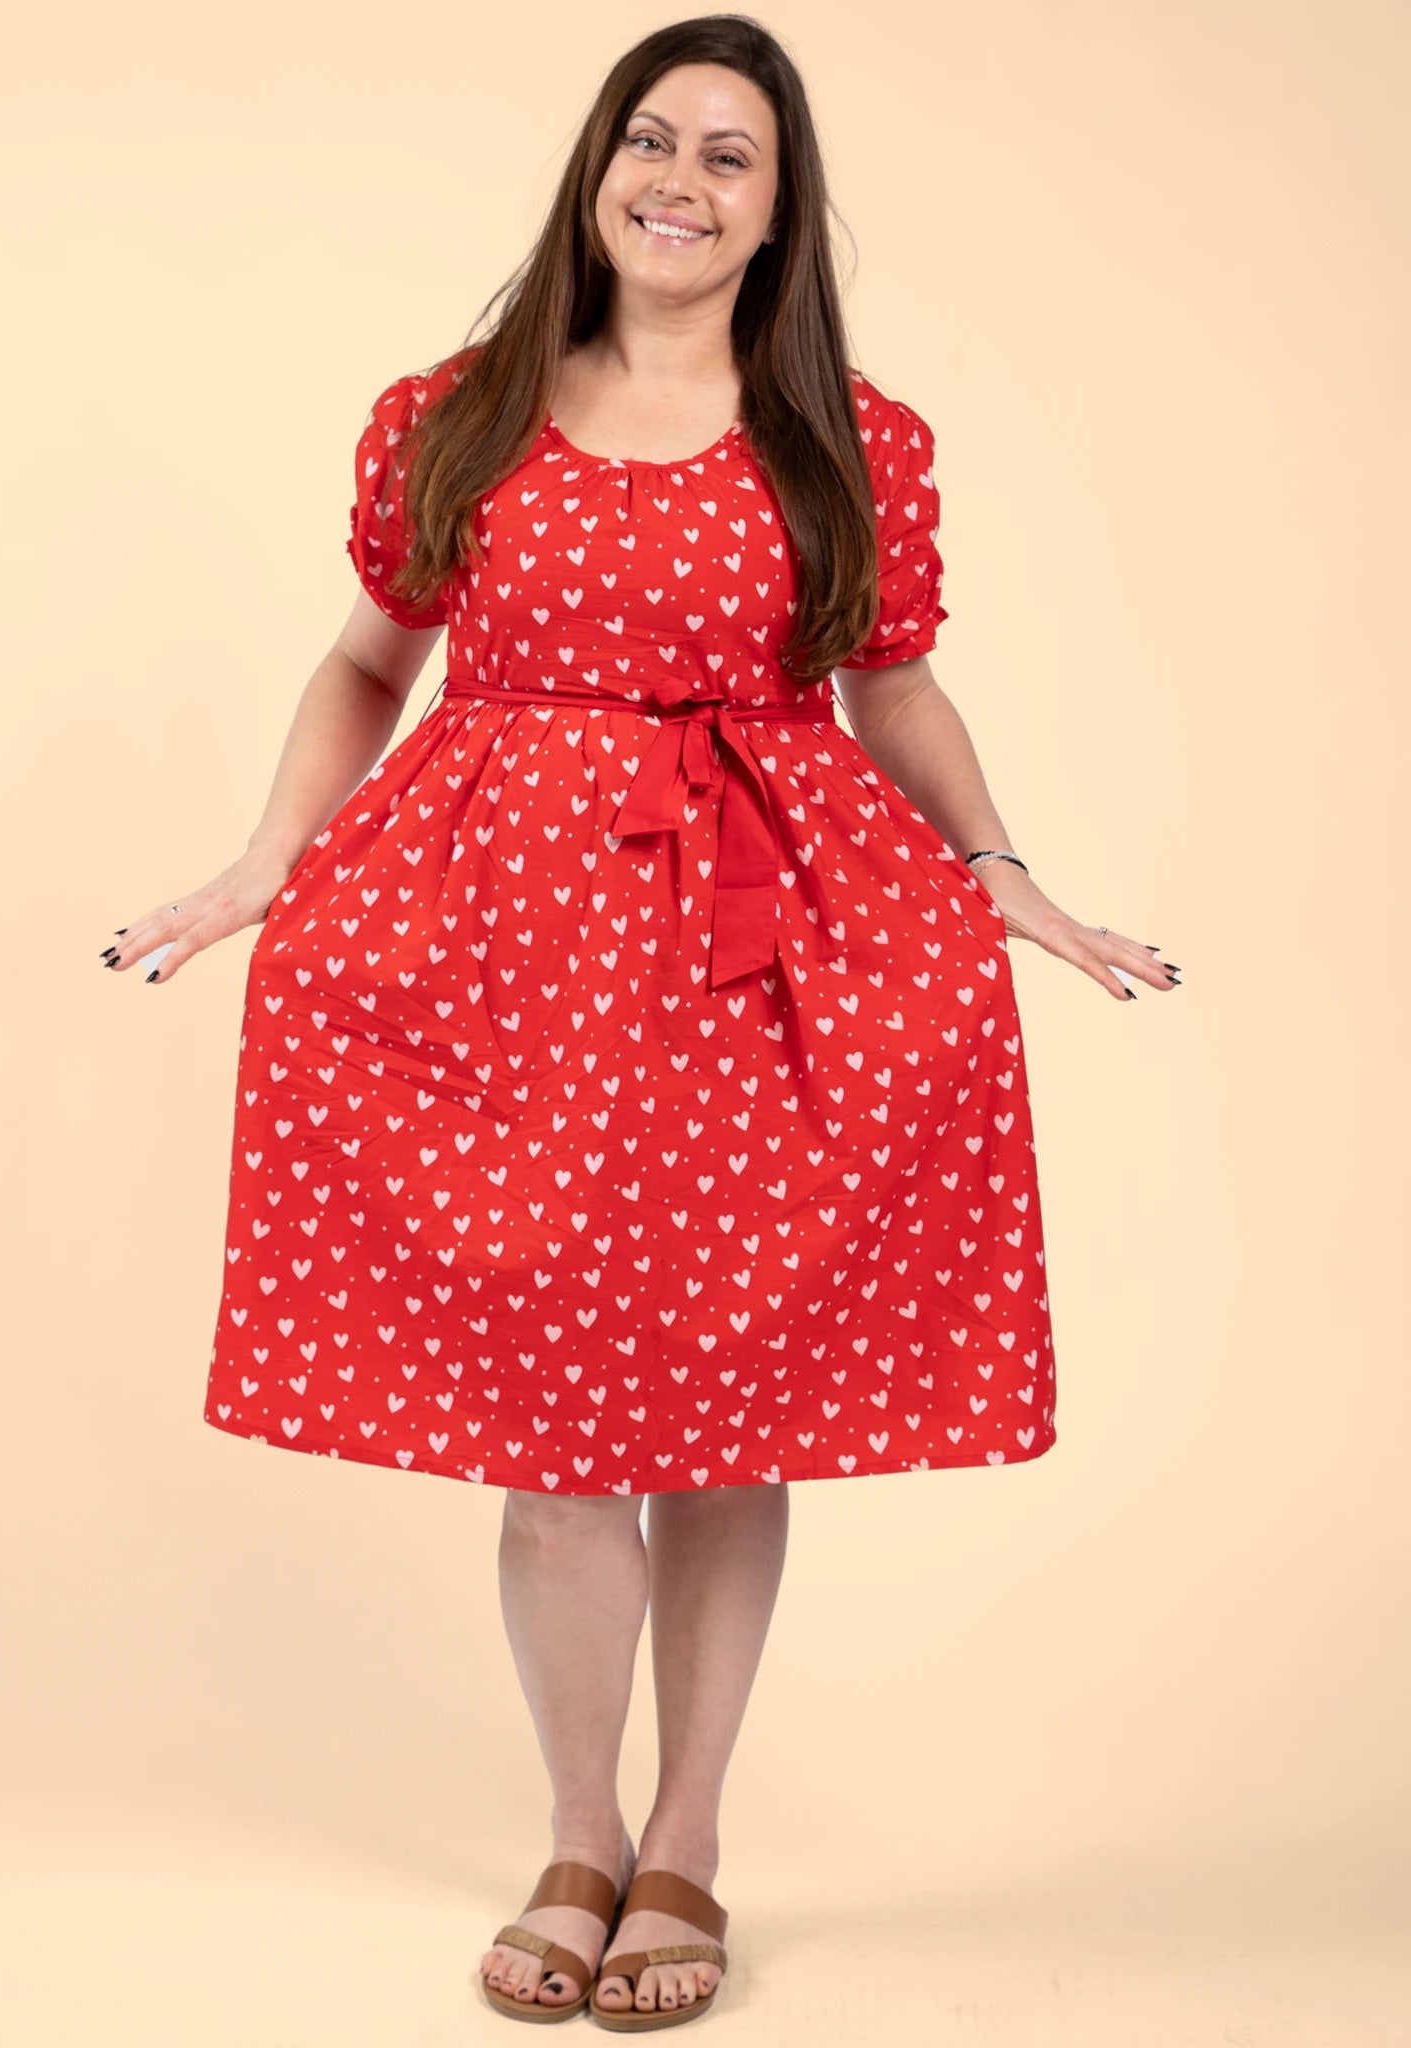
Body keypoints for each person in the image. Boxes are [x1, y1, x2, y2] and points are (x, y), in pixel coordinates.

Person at [101, 14, 1181, 2030]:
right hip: (501, 967)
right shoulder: (453, 416)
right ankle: (578, 1830)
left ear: (780, 213)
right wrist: (265, 859)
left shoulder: (847, 437)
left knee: (731, 1399)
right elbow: (366, 662)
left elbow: (897, 685)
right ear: (598, 167)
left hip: (755, 962)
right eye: (652, 139)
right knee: (555, 1420)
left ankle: (686, 1838)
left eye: (733, 156)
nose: (682, 179)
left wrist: (1001, 868)